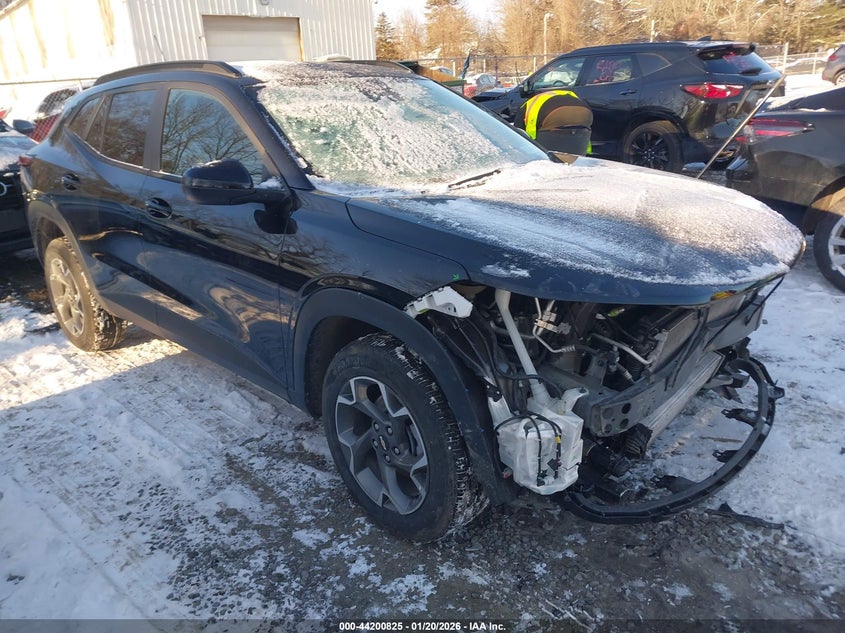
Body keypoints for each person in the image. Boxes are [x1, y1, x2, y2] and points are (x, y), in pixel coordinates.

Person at [515, 90, 593, 156]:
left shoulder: (526, 105)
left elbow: (519, 135)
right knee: (580, 137)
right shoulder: (558, 95)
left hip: (554, 115)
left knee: (548, 156)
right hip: (584, 110)